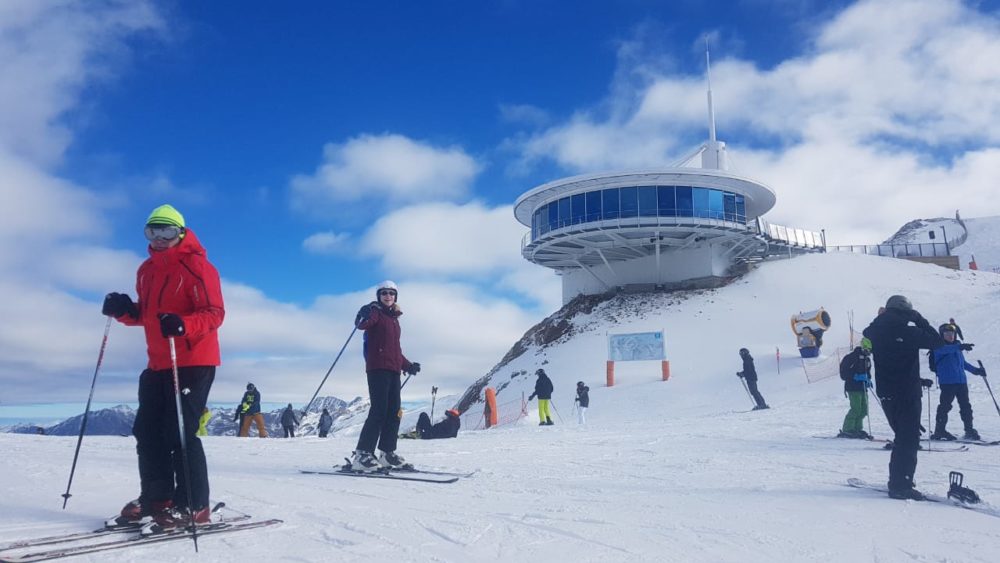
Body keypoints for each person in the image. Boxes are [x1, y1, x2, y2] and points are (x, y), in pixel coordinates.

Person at [101, 204, 224, 529]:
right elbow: (148, 316)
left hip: (194, 361)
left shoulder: (198, 267)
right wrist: (124, 310)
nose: (159, 237)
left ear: (181, 233)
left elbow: (214, 314)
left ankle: (194, 506)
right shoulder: (146, 270)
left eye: (167, 230)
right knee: (147, 431)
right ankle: (157, 498)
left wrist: (183, 324)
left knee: (179, 433)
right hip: (158, 362)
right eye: (152, 231)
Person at [863, 295, 943, 500]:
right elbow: (937, 341)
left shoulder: (877, 331)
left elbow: (868, 331)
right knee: (908, 440)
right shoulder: (910, 331)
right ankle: (900, 485)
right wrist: (918, 319)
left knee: (903, 437)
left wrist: (881, 317)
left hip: (887, 393)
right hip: (907, 392)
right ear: (906, 313)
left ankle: (899, 478)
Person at [351, 281, 420, 472]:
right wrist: (362, 312)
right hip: (377, 369)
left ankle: (387, 453)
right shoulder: (375, 312)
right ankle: (362, 454)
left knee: (395, 412)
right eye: (384, 293)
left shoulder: (394, 320)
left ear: (395, 296)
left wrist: (408, 365)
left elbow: (395, 350)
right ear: (379, 296)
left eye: (391, 293)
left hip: (393, 370)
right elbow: (362, 324)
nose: (388, 296)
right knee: (379, 410)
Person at [930, 323, 984, 441]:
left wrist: (976, 371)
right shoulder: (938, 346)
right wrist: (960, 347)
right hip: (948, 382)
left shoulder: (956, 346)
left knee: (966, 406)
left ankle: (969, 429)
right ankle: (939, 431)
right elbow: (946, 350)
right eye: (947, 334)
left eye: (952, 334)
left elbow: (963, 363)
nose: (951, 336)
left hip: (961, 382)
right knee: (945, 406)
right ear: (942, 335)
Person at [837, 340, 872, 439]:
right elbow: (843, 373)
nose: (868, 352)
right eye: (867, 349)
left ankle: (857, 428)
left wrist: (868, 379)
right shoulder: (851, 357)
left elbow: (868, 372)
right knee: (856, 408)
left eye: (870, 350)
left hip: (863, 387)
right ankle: (848, 429)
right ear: (862, 347)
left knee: (864, 410)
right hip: (853, 387)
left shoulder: (867, 360)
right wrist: (855, 376)